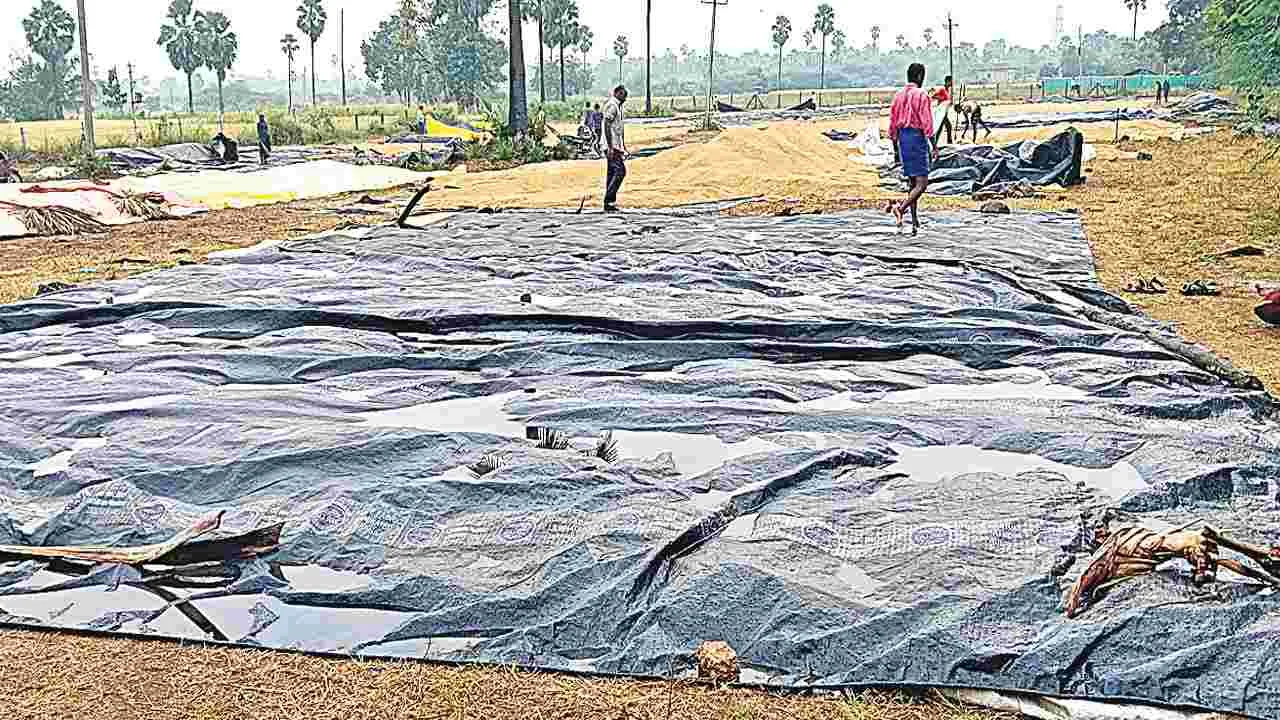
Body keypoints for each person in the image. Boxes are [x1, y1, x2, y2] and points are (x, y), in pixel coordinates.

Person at [886, 63, 937, 234]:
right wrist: (934, 145)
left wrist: (895, 148)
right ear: (920, 76)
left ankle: (915, 220)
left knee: (912, 182)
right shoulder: (921, 95)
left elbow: (892, 125)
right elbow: (927, 123)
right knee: (922, 184)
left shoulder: (898, 96)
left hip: (902, 139)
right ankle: (901, 208)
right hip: (916, 138)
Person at [602, 85, 629, 213]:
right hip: (612, 146)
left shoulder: (617, 106)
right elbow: (606, 125)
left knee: (612, 173)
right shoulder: (613, 106)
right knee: (620, 171)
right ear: (616, 93)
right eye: (623, 94)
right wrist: (610, 146)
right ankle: (608, 198)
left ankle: (609, 203)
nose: (625, 98)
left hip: (615, 145)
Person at [931, 75, 954, 146]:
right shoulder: (942, 89)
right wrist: (941, 98)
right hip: (941, 113)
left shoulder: (948, 90)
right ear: (947, 81)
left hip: (945, 113)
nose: (952, 83)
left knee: (941, 129)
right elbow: (933, 96)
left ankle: (936, 143)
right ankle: (949, 143)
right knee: (948, 127)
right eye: (951, 82)